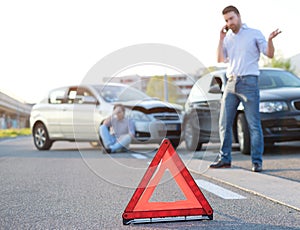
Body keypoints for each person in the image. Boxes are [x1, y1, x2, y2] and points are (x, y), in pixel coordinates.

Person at [210, 5, 281, 172]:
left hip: (249, 82)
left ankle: (257, 161)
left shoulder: (254, 33)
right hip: (230, 83)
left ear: (239, 16)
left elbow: (269, 54)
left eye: (231, 18)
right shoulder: (228, 39)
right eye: (226, 20)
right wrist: (220, 39)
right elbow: (221, 59)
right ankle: (225, 158)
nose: (229, 23)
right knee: (224, 123)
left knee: (253, 124)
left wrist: (270, 41)